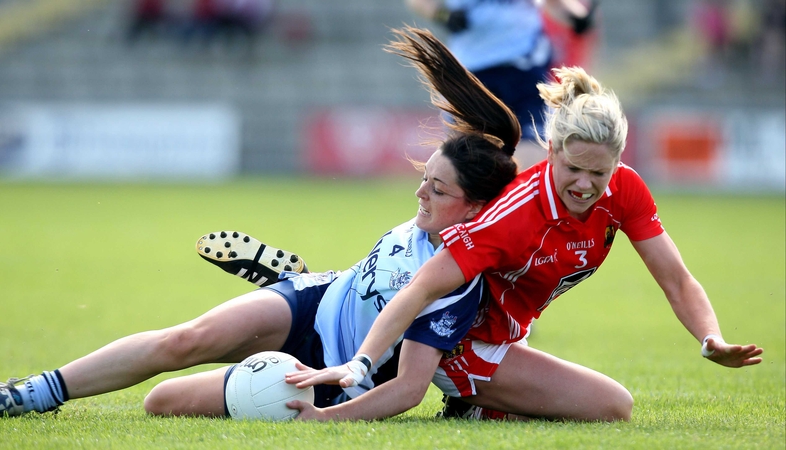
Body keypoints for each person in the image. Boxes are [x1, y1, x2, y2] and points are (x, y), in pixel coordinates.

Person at [0, 26, 520, 421]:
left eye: (437, 188)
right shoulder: (439, 213)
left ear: (474, 210)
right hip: (316, 298)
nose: (420, 192)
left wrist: (326, 419)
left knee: (161, 403)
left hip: (326, 377)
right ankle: (26, 395)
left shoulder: (456, 287)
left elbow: (407, 391)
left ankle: (272, 337)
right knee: (184, 340)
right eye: (425, 178)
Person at [287, 62, 764, 421]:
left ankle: (482, 408)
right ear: (552, 150)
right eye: (573, 168)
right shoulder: (515, 213)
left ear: (618, 163)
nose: (584, 184)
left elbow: (677, 281)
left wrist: (711, 338)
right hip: (460, 340)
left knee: (587, 403)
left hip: (509, 333)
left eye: (599, 172)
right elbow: (423, 289)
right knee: (615, 407)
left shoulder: (626, 190)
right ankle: (469, 397)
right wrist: (363, 362)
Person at [405, 0, 598, 166]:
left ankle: (521, 204)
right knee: (468, 155)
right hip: (472, 73)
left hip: (523, 68)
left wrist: (577, 17)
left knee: (532, 144)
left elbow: (553, 3)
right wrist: (444, 15)